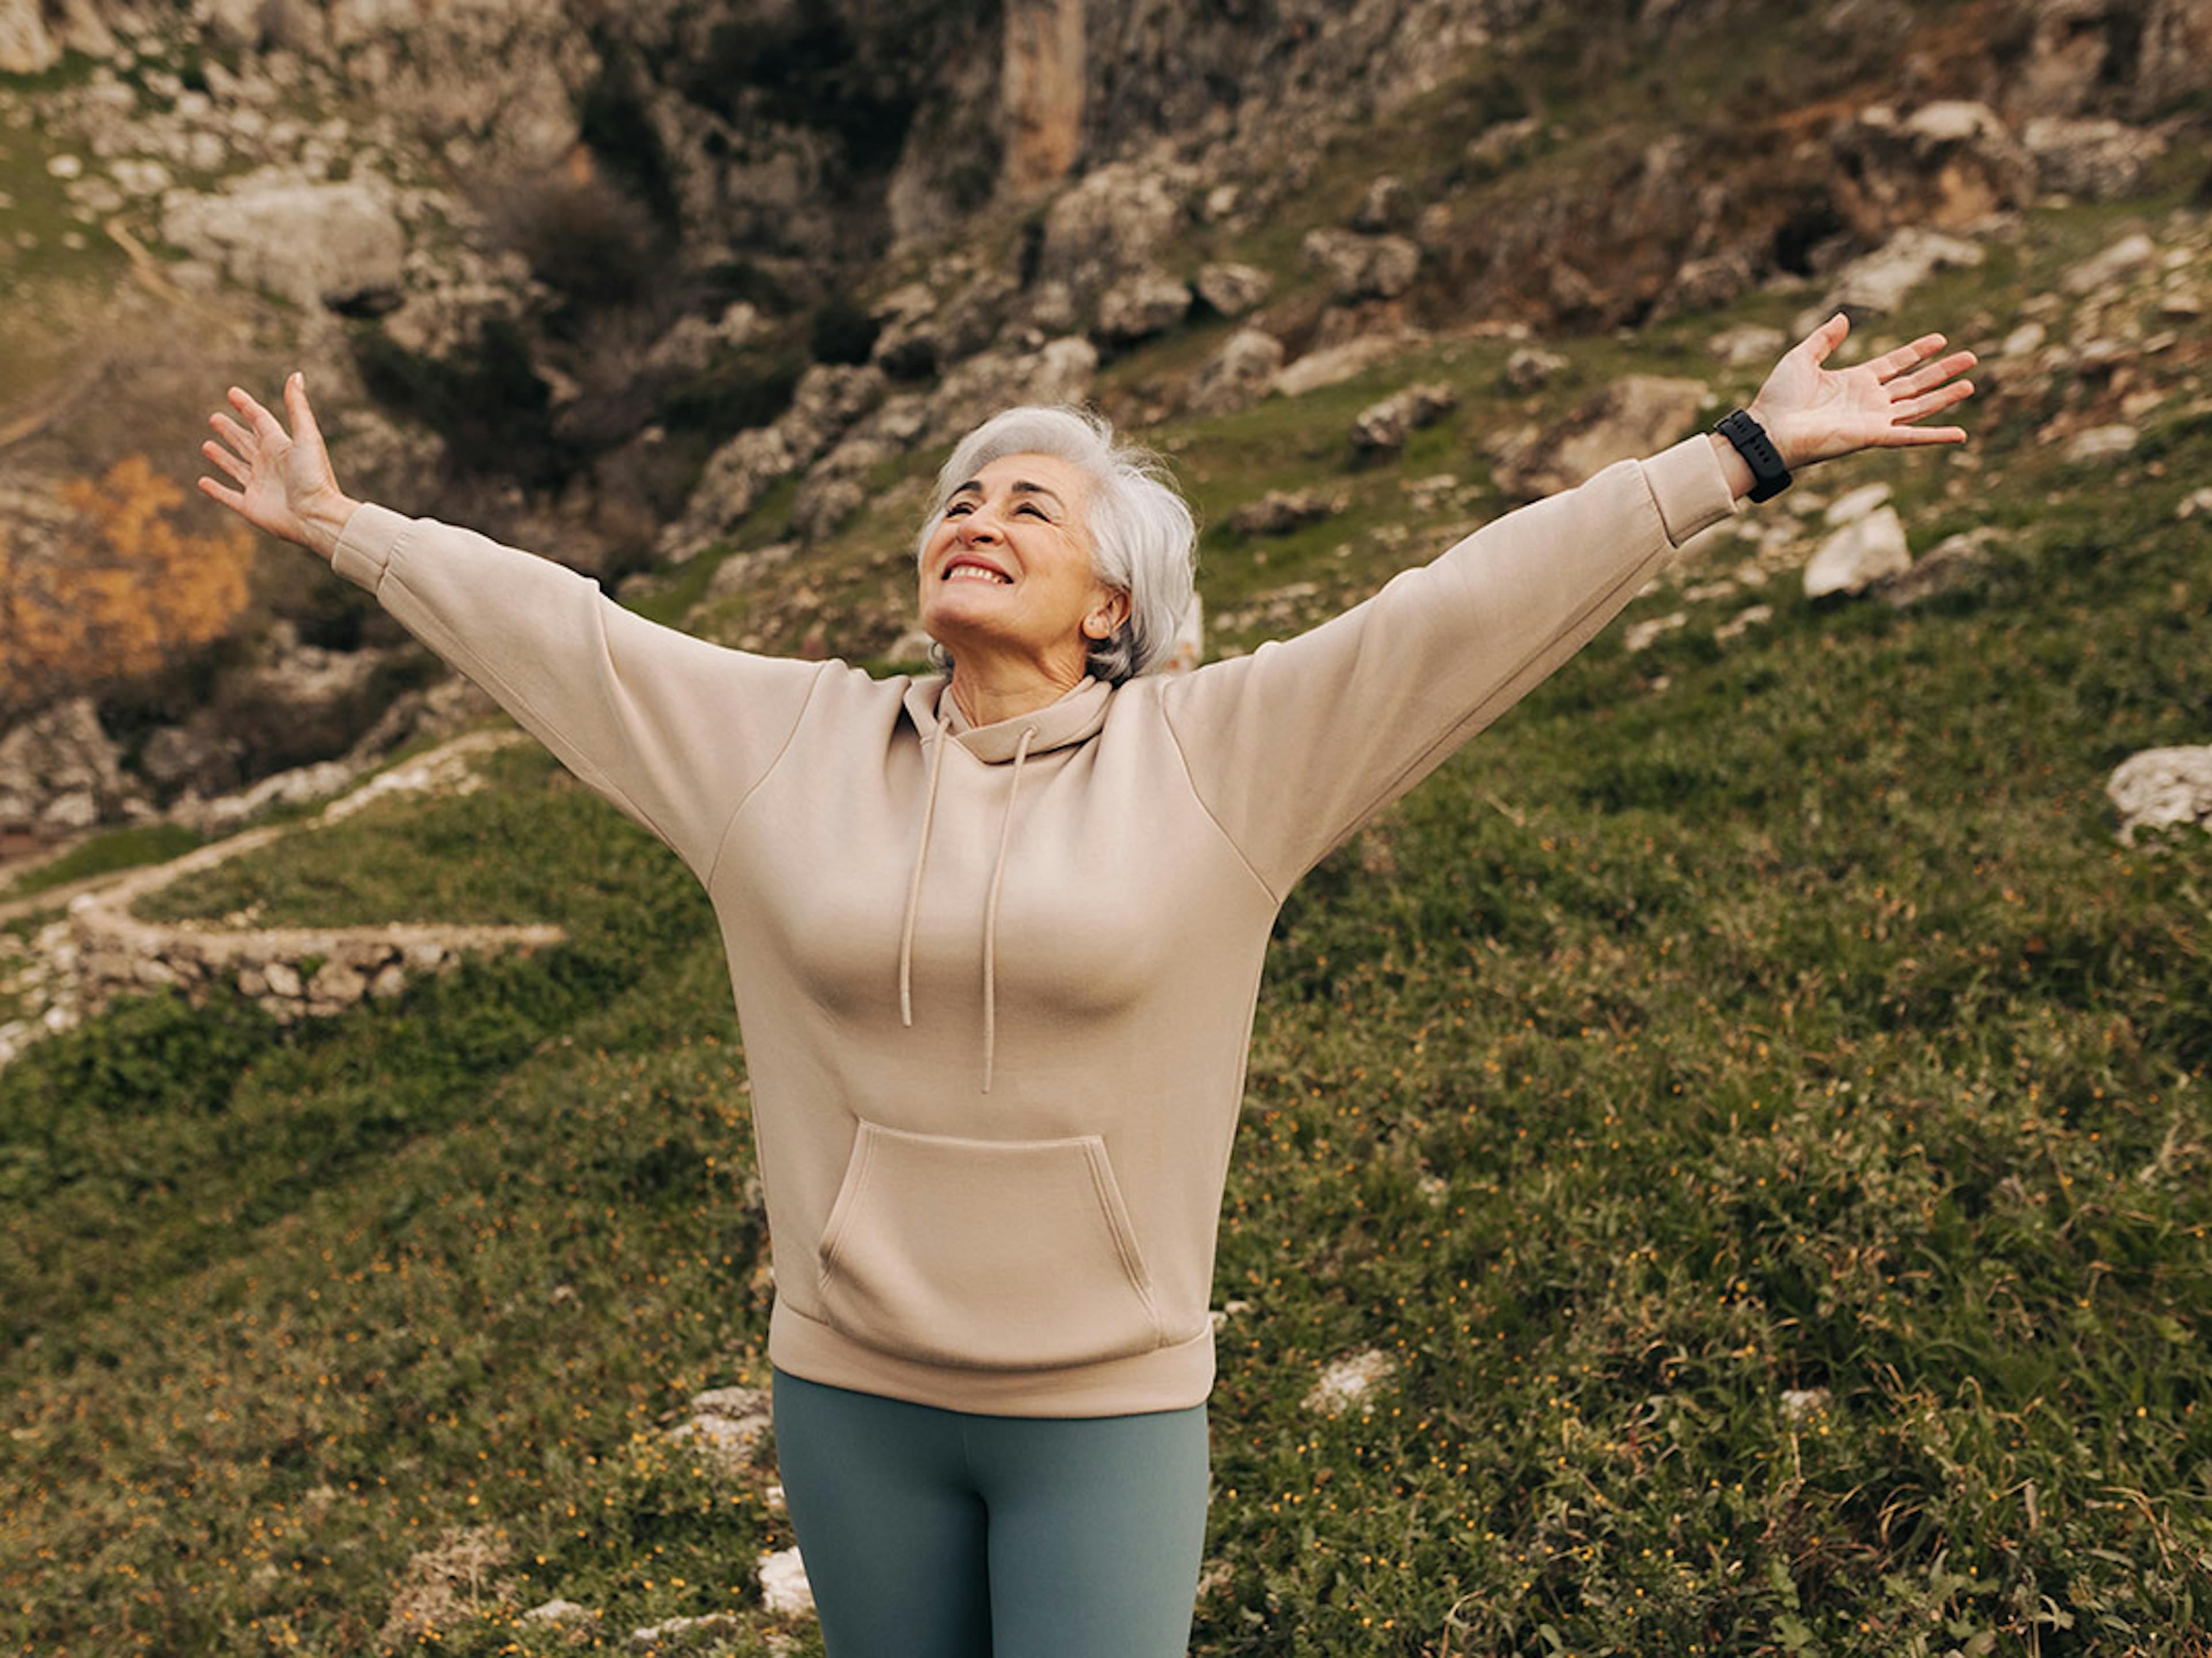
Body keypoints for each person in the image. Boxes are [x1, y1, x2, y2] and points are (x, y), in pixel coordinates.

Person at [198, 311, 1974, 1657]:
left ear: (1116, 600)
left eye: (1029, 504)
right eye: (959, 498)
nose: (976, 516)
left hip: (1103, 1413)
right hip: (848, 1393)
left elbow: (1459, 610)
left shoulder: (1219, 761)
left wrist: (1736, 453)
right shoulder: (790, 744)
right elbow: (569, 631)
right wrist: (350, 528)